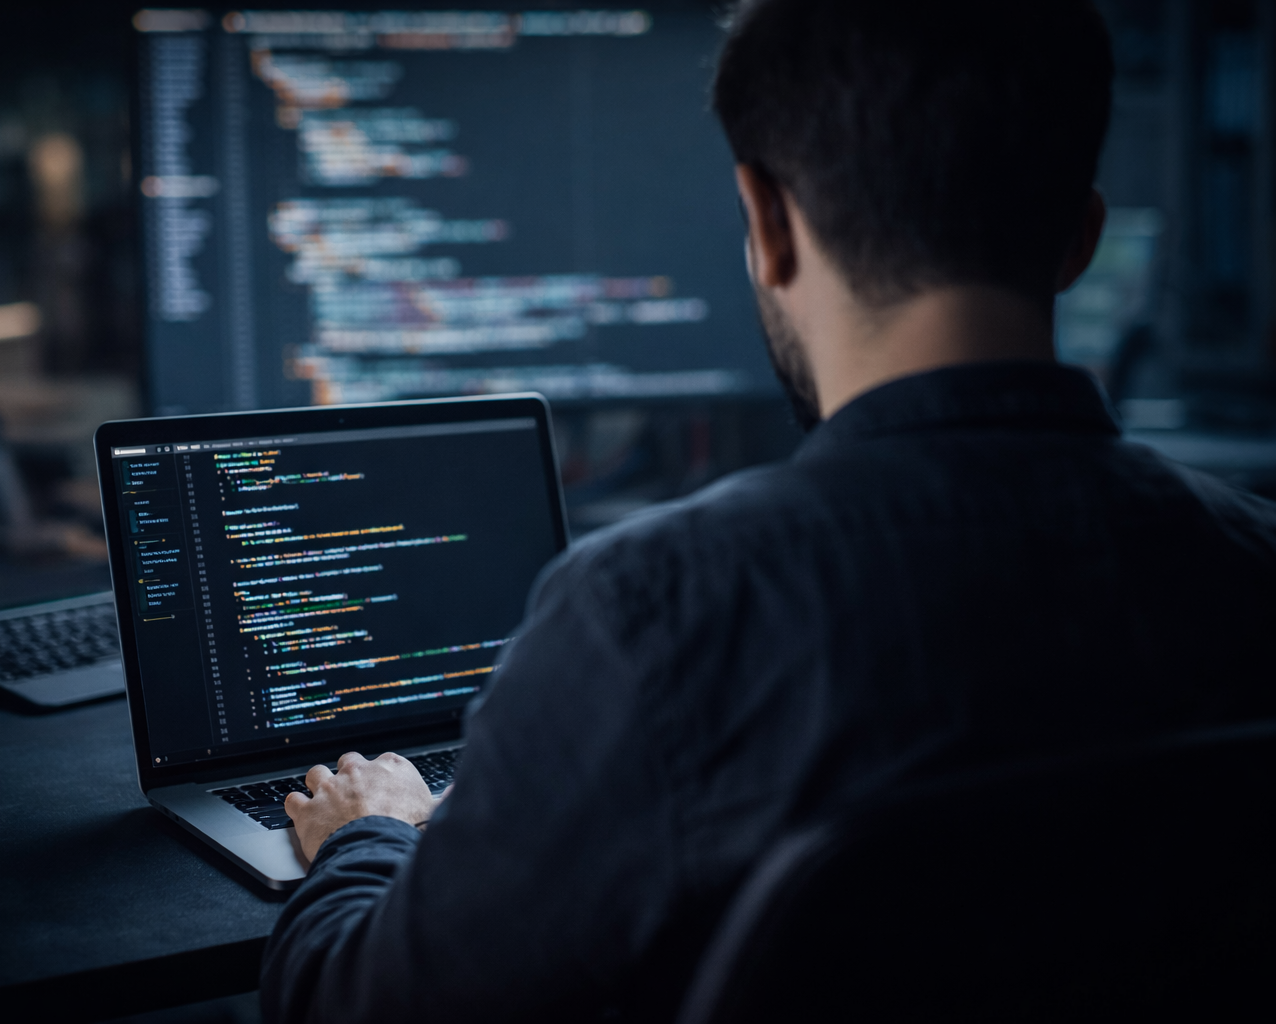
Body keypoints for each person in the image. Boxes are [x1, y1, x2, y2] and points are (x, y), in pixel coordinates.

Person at [260, 1, 1276, 1021]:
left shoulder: (647, 621)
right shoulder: (1252, 563)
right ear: (1081, 238)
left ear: (770, 222)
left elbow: (361, 1010)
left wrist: (368, 836)